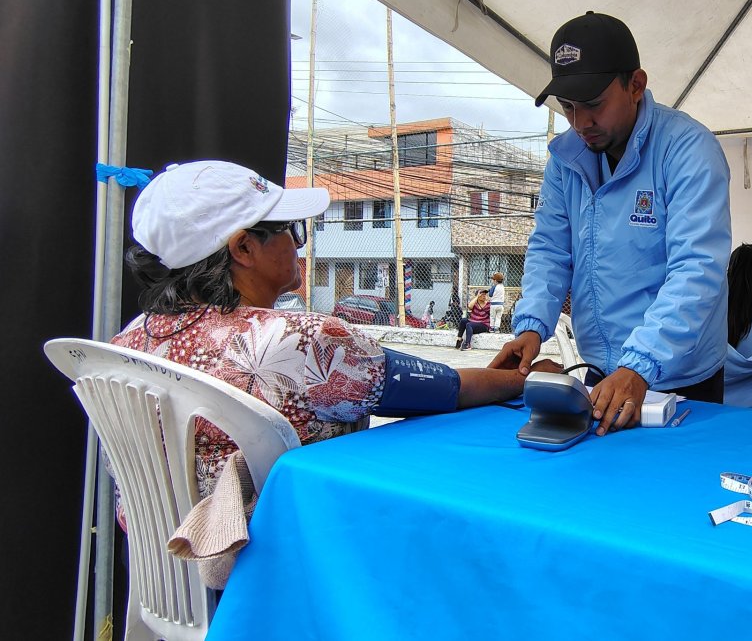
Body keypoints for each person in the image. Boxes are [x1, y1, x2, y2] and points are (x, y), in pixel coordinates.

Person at [113, 161, 559, 502]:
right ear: (245, 248)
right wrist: (525, 378)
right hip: (291, 570)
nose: (297, 242)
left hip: (174, 576)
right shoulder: (299, 341)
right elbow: (446, 389)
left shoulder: (127, 344)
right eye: (291, 230)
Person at [490, 11, 732, 436]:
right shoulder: (565, 160)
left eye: (594, 104)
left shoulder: (688, 149)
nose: (581, 123)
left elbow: (697, 269)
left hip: (680, 377)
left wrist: (641, 364)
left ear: (635, 85)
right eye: (568, 107)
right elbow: (550, 249)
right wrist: (531, 327)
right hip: (605, 374)